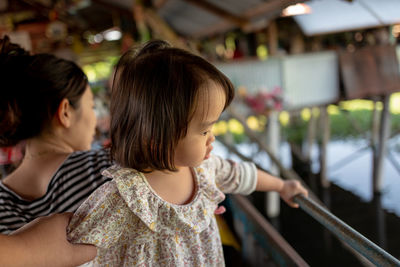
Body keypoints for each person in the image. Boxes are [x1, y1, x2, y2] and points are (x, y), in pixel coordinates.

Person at [67, 40, 308, 266]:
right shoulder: (127, 197)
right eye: (204, 130)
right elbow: (77, 244)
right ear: (158, 138)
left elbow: (244, 176)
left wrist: (281, 186)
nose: (212, 137)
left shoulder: (204, 170)